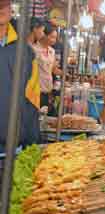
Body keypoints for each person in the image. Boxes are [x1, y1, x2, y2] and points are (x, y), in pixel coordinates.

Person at [0, 0, 40, 153]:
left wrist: (32, 142)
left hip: (13, 147)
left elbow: (32, 99)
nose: (1, 9)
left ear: (11, 9)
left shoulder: (26, 52)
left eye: (4, 5)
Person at [32, 22, 62, 116]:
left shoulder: (52, 51)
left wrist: (64, 73)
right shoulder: (34, 49)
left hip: (48, 91)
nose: (54, 40)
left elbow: (53, 69)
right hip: (36, 91)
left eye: (55, 37)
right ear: (44, 35)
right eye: (52, 37)